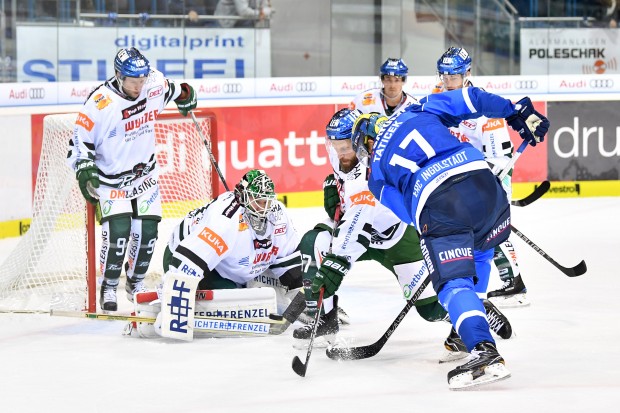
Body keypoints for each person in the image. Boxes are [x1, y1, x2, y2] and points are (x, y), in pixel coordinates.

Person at [311, 88, 549, 389]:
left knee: (453, 285)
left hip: (442, 206)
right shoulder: (419, 109)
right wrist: (516, 111)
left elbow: (411, 216)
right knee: (480, 255)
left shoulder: (375, 175)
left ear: (366, 143)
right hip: (486, 185)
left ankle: (484, 351)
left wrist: (436, 241)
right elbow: (472, 100)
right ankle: (470, 329)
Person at [292, 108, 450, 347]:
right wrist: (335, 189)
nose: (339, 153)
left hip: (396, 238)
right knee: (313, 242)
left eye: (344, 146)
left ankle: (473, 310)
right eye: (334, 146)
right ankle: (324, 319)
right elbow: (349, 207)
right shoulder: (343, 158)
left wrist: (338, 264)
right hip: (363, 236)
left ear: (359, 141)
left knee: (430, 310)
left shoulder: (375, 169)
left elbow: (356, 226)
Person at [68, 47, 197, 312]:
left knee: (148, 233)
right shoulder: (100, 102)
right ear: (118, 76)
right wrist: (84, 169)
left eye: (142, 80)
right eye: (132, 81)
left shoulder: (153, 84)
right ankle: (108, 286)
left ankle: (135, 283)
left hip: (145, 177)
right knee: (118, 234)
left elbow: (175, 89)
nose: (138, 86)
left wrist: (185, 92)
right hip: (111, 180)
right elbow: (79, 142)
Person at [434, 46, 529, 308]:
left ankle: (513, 283)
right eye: (443, 76)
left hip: (489, 176)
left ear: (467, 74)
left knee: (489, 230)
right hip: (455, 177)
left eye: (453, 76)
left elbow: (500, 161)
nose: (447, 82)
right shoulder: (437, 97)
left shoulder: (484, 110)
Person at [162, 169, 303, 301]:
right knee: (238, 299)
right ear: (243, 197)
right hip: (183, 258)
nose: (263, 208)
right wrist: (175, 298)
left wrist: (301, 295)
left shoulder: (278, 216)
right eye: (258, 201)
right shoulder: (225, 220)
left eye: (267, 201)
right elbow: (191, 261)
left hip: (232, 267)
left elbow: (289, 262)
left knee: (262, 294)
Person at [349, 58, 417, 117]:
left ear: (403, 81)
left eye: (397, 80)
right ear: (382, 80)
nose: (392, 85)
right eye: (388, 79)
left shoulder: (414, 105)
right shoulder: (363, 99)